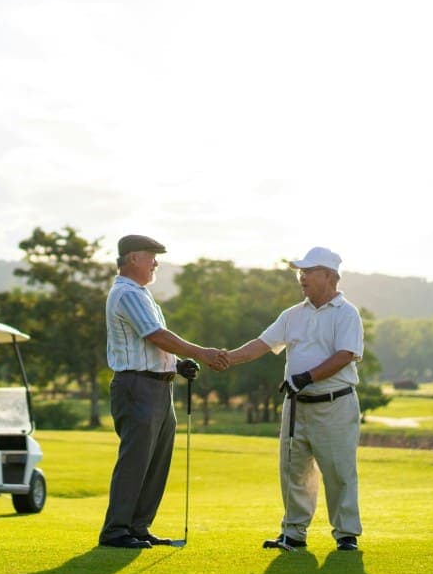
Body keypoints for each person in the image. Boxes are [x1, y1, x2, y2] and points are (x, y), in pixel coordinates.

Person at [227, 246, 364, 551]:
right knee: (293, 469)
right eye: (300, 272)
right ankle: (293, 533)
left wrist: (307, 377)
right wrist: (225, 358)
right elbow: (261, 345)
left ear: (329, 276)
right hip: (297, 403)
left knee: (339, 471)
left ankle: (345, 534)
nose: (301, 278)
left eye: (308, 272)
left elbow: (345, 355)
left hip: (335, 403)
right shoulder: (293, 314)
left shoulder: (347, 313)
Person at [99, 234, 229, 549]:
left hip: (157, 386)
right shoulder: (127, 293)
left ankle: (138, 528)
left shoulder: (142, 294)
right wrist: (202, 353)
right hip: (137, 386)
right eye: (151, 255)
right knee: (136, 460)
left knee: (156, 461)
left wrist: (178, 364)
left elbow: (154, 345)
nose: (156, 262)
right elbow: (156, 335)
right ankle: (116, 530)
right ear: (133, 258)